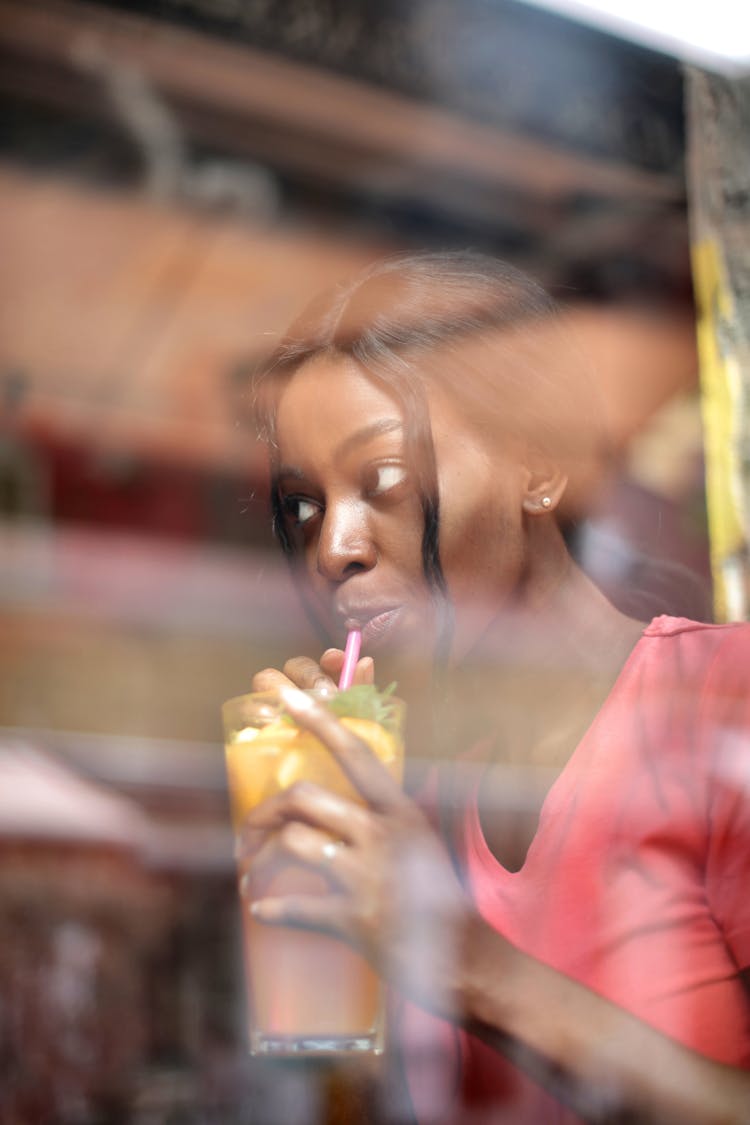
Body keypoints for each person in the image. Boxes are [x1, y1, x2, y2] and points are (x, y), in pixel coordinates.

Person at [239, 251, 750, 1123]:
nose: (333, 548)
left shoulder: (720, 701)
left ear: (540, 465)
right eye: (304, 505)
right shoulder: (427, 792)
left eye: (386, 480)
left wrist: (470, 964)